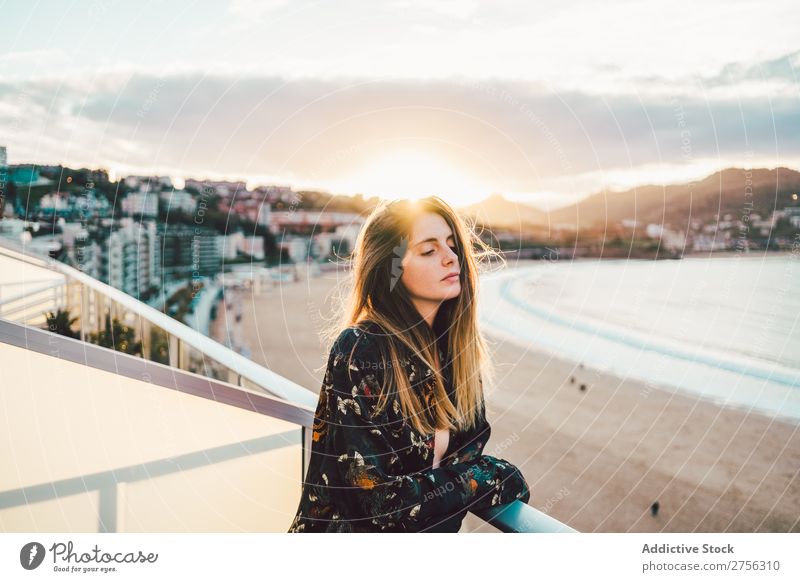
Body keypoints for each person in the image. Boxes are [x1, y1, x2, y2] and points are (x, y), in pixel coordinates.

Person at [287, 196, 530, 533]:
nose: (450, 257)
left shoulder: (454, 358)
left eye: (451, 245)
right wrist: (484, 476)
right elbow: (379, 505)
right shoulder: (361, 350)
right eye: (429, 251)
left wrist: (472, 477)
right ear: (392, 269)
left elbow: (460, 464)